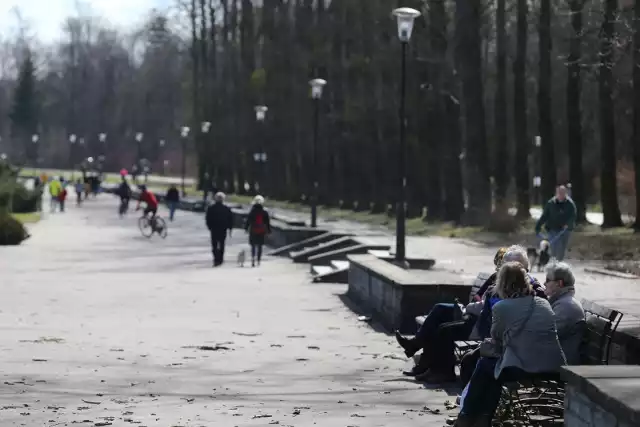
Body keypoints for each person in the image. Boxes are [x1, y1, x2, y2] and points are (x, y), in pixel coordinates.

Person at [451, 262, 566, 427]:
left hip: (525, 367)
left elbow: (497, 341)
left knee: (486, 366)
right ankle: (481, 419)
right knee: (493, 371)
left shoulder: (502, 307)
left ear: (502, 284)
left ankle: (468, 417)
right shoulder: (544, 304)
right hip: (553, 366)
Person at [421, 245, 546, 385]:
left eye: (506, 266)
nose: (501, 270)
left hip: (510, 344)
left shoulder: (522, 289)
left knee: (451, 337)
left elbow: (495, 322)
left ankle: (447, 377)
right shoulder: (511, 287)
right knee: (444, 324)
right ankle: (432, 368)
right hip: (503, 337)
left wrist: (472, 311)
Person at [395, 247, 508, 378]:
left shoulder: (506, 281)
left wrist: (477, 303)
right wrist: (477, 301)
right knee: (440, 309)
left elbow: (487, 306)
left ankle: (422, 355)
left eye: (501, 263)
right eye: (498, 263)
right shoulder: (495, 277)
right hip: (472, 311)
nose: (498, 266)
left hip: (477, 319)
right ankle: (422, 358)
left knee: (441, 326)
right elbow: (478, 296)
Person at [544, 262, 585, 364]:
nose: (544, 283)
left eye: (548, 280)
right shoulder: (563, 301)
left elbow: (546, 335)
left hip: (562, 364)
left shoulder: (566, 306)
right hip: (557, 358)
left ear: (559, 283)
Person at [535, 185, 577, 261]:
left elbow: (573, 216)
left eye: (562, 193)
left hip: (565, 230)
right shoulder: (551, 203)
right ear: (556, 193)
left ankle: (559, 263)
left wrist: (568, 224)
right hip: (553, 228)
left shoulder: (570, 204)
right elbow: (544, 216)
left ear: (565, 193)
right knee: (553, 247)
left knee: (562, 248)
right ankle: (553, 263)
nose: (561, 195)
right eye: (559, 193)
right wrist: (538, 226)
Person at [205, 192, 233, 267]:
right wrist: (230, 228)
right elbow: (230, 219)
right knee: (222, 244)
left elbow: (208, 218)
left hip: (214, 228)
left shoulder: (211, 208)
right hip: (223, 229)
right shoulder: (226, 208)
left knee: (214, 244)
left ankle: (216, 258)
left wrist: (209, 226)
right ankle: (220, 258)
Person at [244, 195, 271, 267]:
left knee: (253, 246)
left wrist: (246, 229)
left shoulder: (252, 211)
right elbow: (267, 223)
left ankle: (253, 258)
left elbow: (248, 221)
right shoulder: (264, 212)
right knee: (260, 246)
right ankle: (258, 260)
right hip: (261, 231)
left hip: (253, 230)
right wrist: (268, 231)